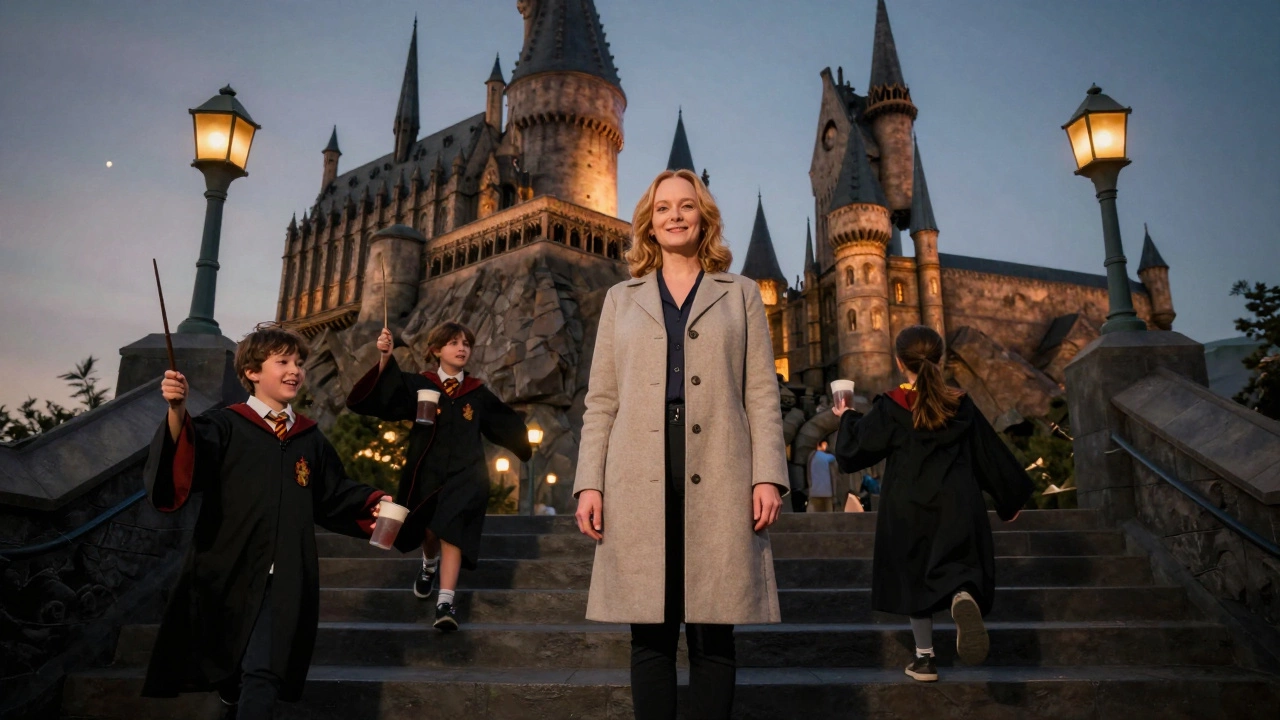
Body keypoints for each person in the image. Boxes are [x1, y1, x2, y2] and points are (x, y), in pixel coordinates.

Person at [573, 169, 788, 720]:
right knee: (650, 632)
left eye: (686, 206)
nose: (674, 215)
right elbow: (601, 400)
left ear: (703, 218)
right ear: (649, 221)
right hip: (636, 467)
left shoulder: (739, 293)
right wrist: (588, 483)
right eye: (663, 207)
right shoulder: (620, 299)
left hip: (720, 463)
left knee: (714, 632)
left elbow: (762, 392)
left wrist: (768, 474)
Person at [141, 325, 391, 719]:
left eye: (299, 362)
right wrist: (176, 410)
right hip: (229, 567)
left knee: (264, 670)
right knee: (231, 667)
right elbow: (186, 458)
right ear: (253, 372)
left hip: (286, 573)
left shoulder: (309, 438)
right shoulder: (226, 426)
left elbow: (334, 492)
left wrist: (375, 501)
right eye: (283, 362)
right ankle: (229, 690)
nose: (295, 370)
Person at [832, 325, 1032, 683]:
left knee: (914, 577)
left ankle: (925, 659)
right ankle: (962, 596)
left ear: (898, 361)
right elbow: (989, 452)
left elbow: (853, 453)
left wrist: (845, 417)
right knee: (957, 565)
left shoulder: (891, 405)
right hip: (959, 501)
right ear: (940, 359)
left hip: (907, 506)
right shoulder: (961, 402)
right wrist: (1009, 498)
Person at [346, 321, 531, 632]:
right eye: (453, 343)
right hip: (425, 472)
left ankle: (445, 602)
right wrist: (385, 358)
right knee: (429, 532)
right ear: (436, 349)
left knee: (452, 532)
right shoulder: (421, 384)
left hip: (467, 475)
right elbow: (383, 395)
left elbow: (504, 422)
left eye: (466, 344)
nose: (461, 348)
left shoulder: (477, 393)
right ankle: (428, 565)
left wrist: (523, 445)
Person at [806, 439, 837, 512]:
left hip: (814, 491)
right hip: (826, 492)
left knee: (815, 514)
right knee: (828, 513)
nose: (826, 447)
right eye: (825, 445)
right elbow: (834, 458)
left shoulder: (811, 456)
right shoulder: (827, 457)